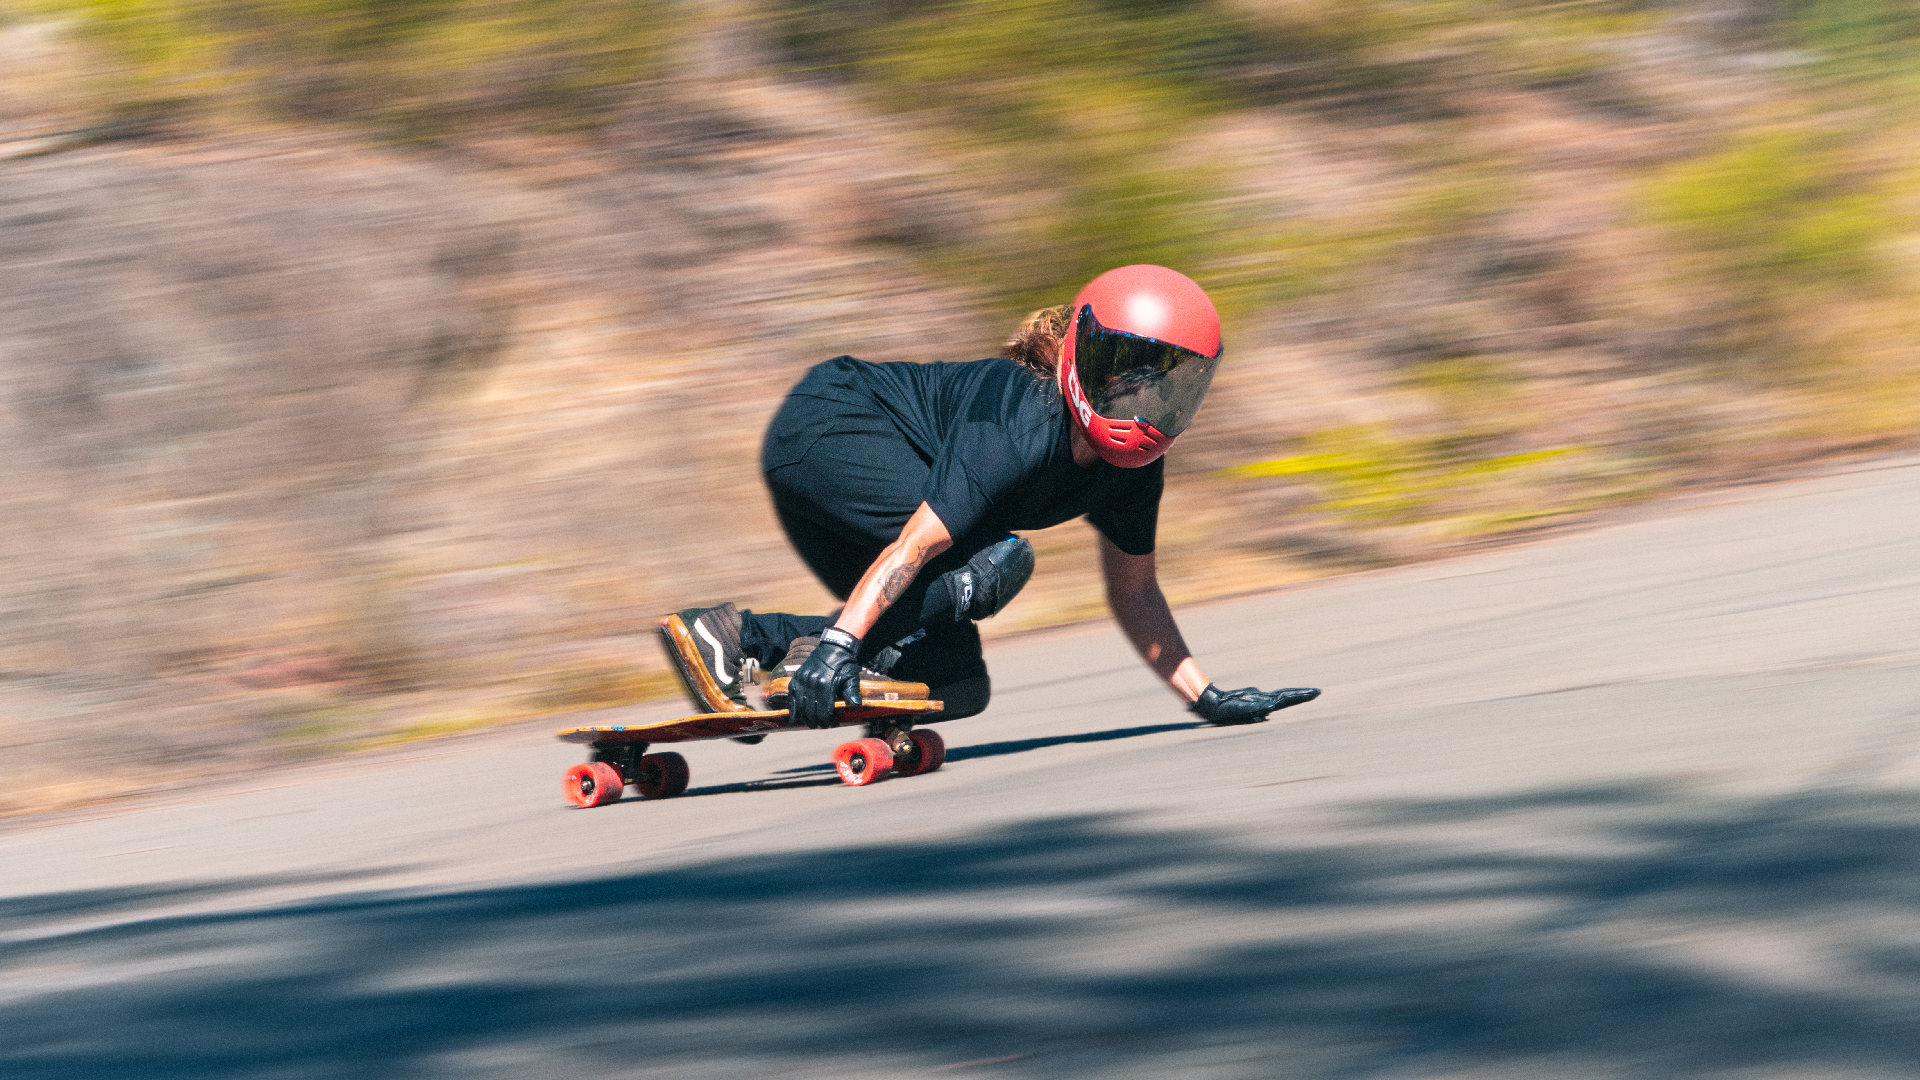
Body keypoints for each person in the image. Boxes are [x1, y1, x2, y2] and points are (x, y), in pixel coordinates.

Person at [657, 264, 1320, 733]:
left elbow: (1136, 594)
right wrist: (841, 644)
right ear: (1081, 353)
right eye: (1126, 378)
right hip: (829, 428)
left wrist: (1206, 696)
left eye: (1168, 390)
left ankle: (747, 657)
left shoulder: (1133, 470)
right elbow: (917, 546)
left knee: (953, 682)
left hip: (880, 480)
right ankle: (759, 639)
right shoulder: (1019, 418)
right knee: (999, 562)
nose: (1142, 407)